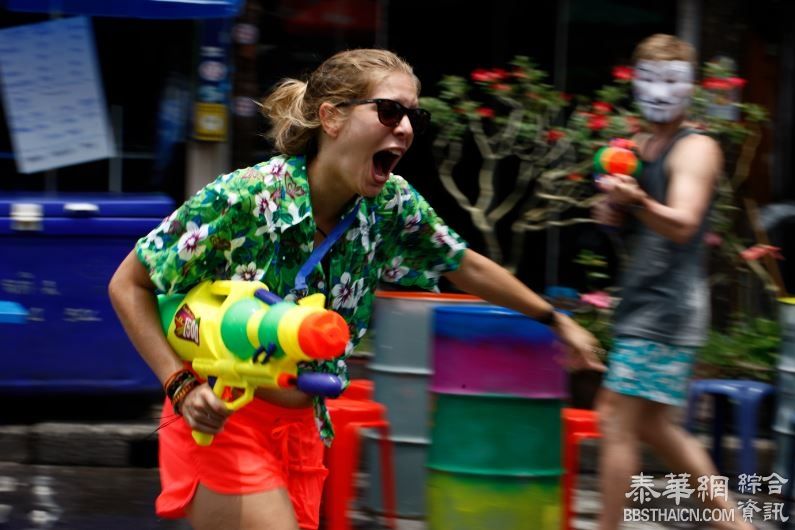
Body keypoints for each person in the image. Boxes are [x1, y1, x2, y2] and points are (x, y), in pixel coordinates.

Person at [108, 48, 604, 530]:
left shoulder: (391, 205)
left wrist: (555, 321)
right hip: (219, 418)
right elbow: (128, 285)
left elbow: (464, 265)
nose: (406, 129)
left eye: (414, 116)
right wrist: (179, 385)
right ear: (331, 117)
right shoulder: (246, 197)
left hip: (303, 428)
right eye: (389, 111)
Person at [592, 34, 754, 530]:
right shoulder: (638, 146)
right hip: (643, 300)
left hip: (668, 306)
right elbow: (621, 218)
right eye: (649, 80)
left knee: (614, 416)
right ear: (635, 83)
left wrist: (637, 201)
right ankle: (737, 525)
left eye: (670, 81)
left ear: (688, 88)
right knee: (656, 426)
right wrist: (613, 205)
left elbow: (683, 223)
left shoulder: (698, 148)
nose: (659, 92)